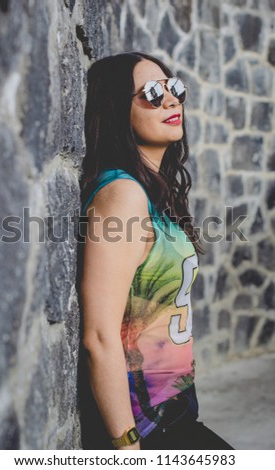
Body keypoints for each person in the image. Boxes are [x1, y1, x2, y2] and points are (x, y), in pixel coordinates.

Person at [77, 52, 234, 451]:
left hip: (175, 412)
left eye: (174, 88)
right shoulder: (124, 195)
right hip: (145, 429)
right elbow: (99, 336)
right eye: (150, 92)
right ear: (116, 111)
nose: (170, 100)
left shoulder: (152, 193)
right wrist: (127, 446)